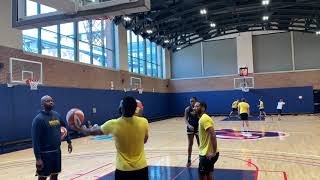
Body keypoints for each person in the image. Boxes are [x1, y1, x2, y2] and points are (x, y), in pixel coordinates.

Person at [75, 96, 149, 180]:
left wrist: (80, 128)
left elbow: (92, 132)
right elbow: (144, 140)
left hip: (123, 170)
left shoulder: (113, 124)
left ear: (121, 109)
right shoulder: (144, 122)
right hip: (141, 169)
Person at [31, 95, 73, 180]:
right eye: (47, 101)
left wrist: (69, 141)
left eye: (52, 100)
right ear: (42, 104)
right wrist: (38, 158)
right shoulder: (38, 120)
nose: (51, 102)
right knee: (43, 177)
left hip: (57, 152)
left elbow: (64, 127)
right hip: (45, 154)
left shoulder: (56, 115)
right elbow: (35, 141)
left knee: (55, 175)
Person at [194, 101, 219, 180]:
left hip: (207, 154)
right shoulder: (202, 118)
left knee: (202, 176)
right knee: (209, 173)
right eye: (194, 106)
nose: (194, 108)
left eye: (197, 106)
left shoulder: (204, 119)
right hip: (207, 153)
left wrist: (213, 152)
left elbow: (213, 134)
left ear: (203, 108)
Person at [184, 97, 200, 167]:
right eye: (190, 101)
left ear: (196, 101)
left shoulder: (198, 109)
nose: (192, 102)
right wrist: (189, 125)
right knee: (190, 143)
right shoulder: (187, 109)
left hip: (198, 128)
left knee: (200, 144)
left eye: (193, 101)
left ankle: (201, 159)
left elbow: (201, 118)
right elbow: (185, 119)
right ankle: (189, 159)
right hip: (190, 128)